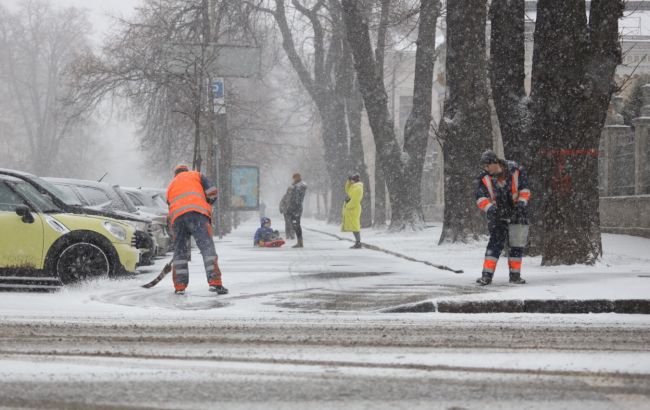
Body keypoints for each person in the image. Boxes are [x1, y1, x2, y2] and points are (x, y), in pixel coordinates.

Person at [167, 164, 228, 295]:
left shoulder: (171, 185)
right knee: (207, 249)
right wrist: (206, 202)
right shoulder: (196, 175)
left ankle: (179, 285)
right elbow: (212, 192)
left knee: (180, 253)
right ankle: (215, 283)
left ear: (175, 174)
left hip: (178, 219)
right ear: (186, 171)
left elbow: (170, 205)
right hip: (197, 215)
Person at [475, 150, 531, 286]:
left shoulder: (515, 170)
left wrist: (521, 204)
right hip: (497, 216)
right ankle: (486, 276)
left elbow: (525, 189)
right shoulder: (484, 177)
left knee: (516, 245)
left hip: (518, 214)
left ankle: (515, 276)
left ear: (495, 162)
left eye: (488, 166)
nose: (486, 169)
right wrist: (491, 209)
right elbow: (480, 198)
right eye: (484, 167)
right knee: (494, 245)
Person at [341, 174, 364, 249]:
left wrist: (348, 205)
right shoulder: (353, 187)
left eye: (351, 180)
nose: (350, 181)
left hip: (353, 209)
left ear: (354, 180)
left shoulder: (358, 188)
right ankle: (357, 242)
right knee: (354, 226)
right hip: (351, 209)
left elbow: (355, 200)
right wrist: (348, 181)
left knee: (355, 226)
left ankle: (358, 242)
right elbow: (347, 189)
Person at [287, 173, 307, 248]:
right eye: (294, 178)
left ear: (298, 177)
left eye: (295, 178)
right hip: (294, 207)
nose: (294, 179)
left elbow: (297, 198)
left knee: (296, 224)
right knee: (295, 225)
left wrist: (293, 189)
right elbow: (291, 196)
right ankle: (299, 242)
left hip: (297, 208)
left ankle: (300, 242)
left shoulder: (300, 186)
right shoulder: (295, 185)